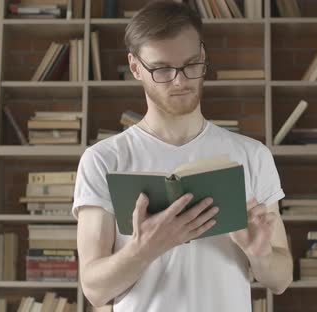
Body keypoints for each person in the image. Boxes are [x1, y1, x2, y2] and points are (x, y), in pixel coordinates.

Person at [72, 1, 293, 311]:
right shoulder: (103, 160)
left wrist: (260, 254)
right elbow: (94, 290)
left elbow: (281, 279)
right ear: (136, 67)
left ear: (202, 56)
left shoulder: (252, 155)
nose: (180, 81)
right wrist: (143, 250)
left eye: (191, 65)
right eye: (162, 69)